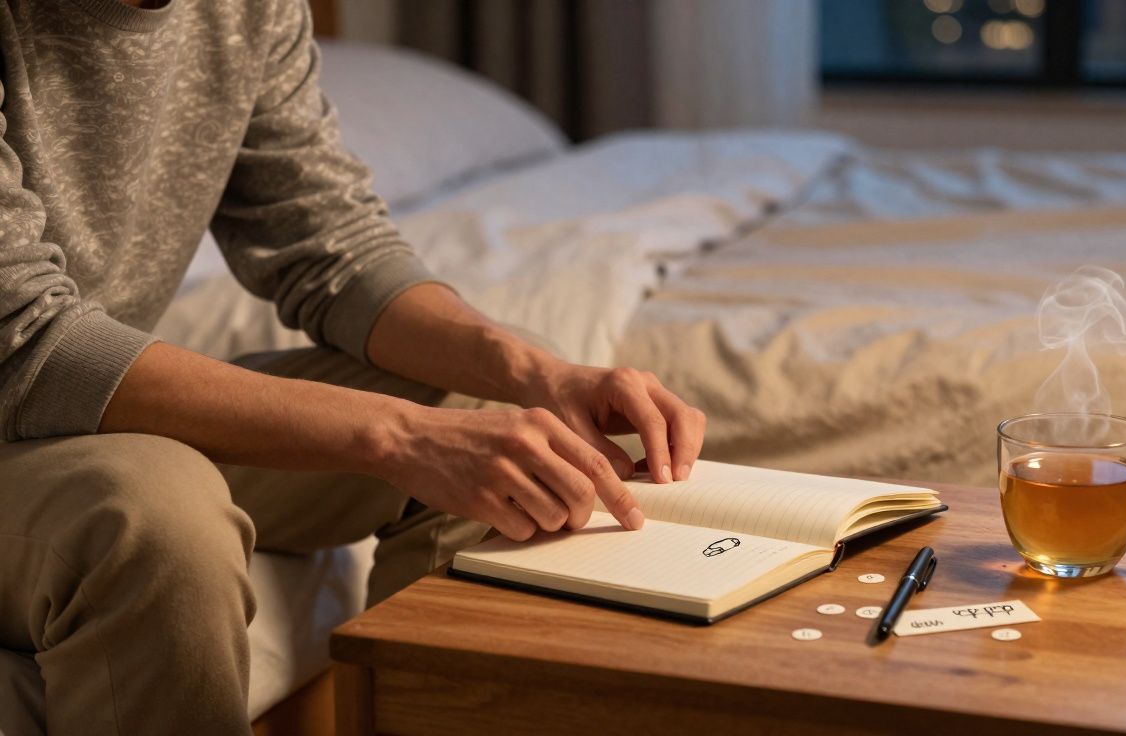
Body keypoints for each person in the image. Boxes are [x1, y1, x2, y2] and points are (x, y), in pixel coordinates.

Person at [0, 0, 706, 733]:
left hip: (80, 422)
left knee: (493, 415)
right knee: (154, 514)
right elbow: (26, 342)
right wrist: (400, 437)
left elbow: (332, 245)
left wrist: (542, 373)